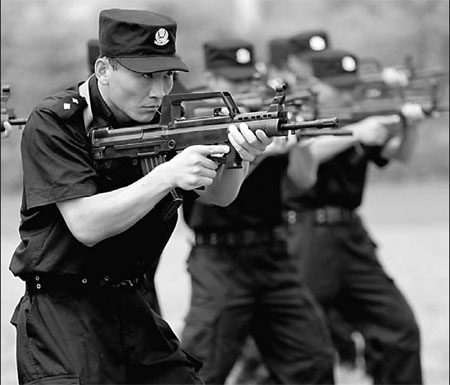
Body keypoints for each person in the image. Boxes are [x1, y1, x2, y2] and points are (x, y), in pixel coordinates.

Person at [9, 9, 273, 385]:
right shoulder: (57, 121)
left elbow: (219, 197)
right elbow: (86, 224)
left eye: (166, 76)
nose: (159, 90)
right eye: (146, 76)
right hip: (64, 313)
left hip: (132, 303)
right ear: (103, 69)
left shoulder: (163, 119)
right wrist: (166, 175)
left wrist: (238, 157)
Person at [180, 39, 336, 385]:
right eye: (233, 80)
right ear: (211, 78)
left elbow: (303, 181)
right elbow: (209, 194)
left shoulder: (264, 110)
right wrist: (259, 151)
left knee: (313, 359)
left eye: (248, 79)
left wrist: (300, 144)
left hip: (272, 252)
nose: (243, 87)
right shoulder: (193, 118)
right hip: (219, 255)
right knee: (202, 368)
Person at [279, 33, 425, 384]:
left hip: (350, 235)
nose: (347, 94)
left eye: (351, 86)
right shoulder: (299, 114)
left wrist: (410, 126)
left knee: (400, 328)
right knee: (299, 341)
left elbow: (398, 155)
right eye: (338, 87)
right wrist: (356, 133)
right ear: (314, 84)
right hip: (306, 234)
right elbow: (303, 157)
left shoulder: (356, 115)